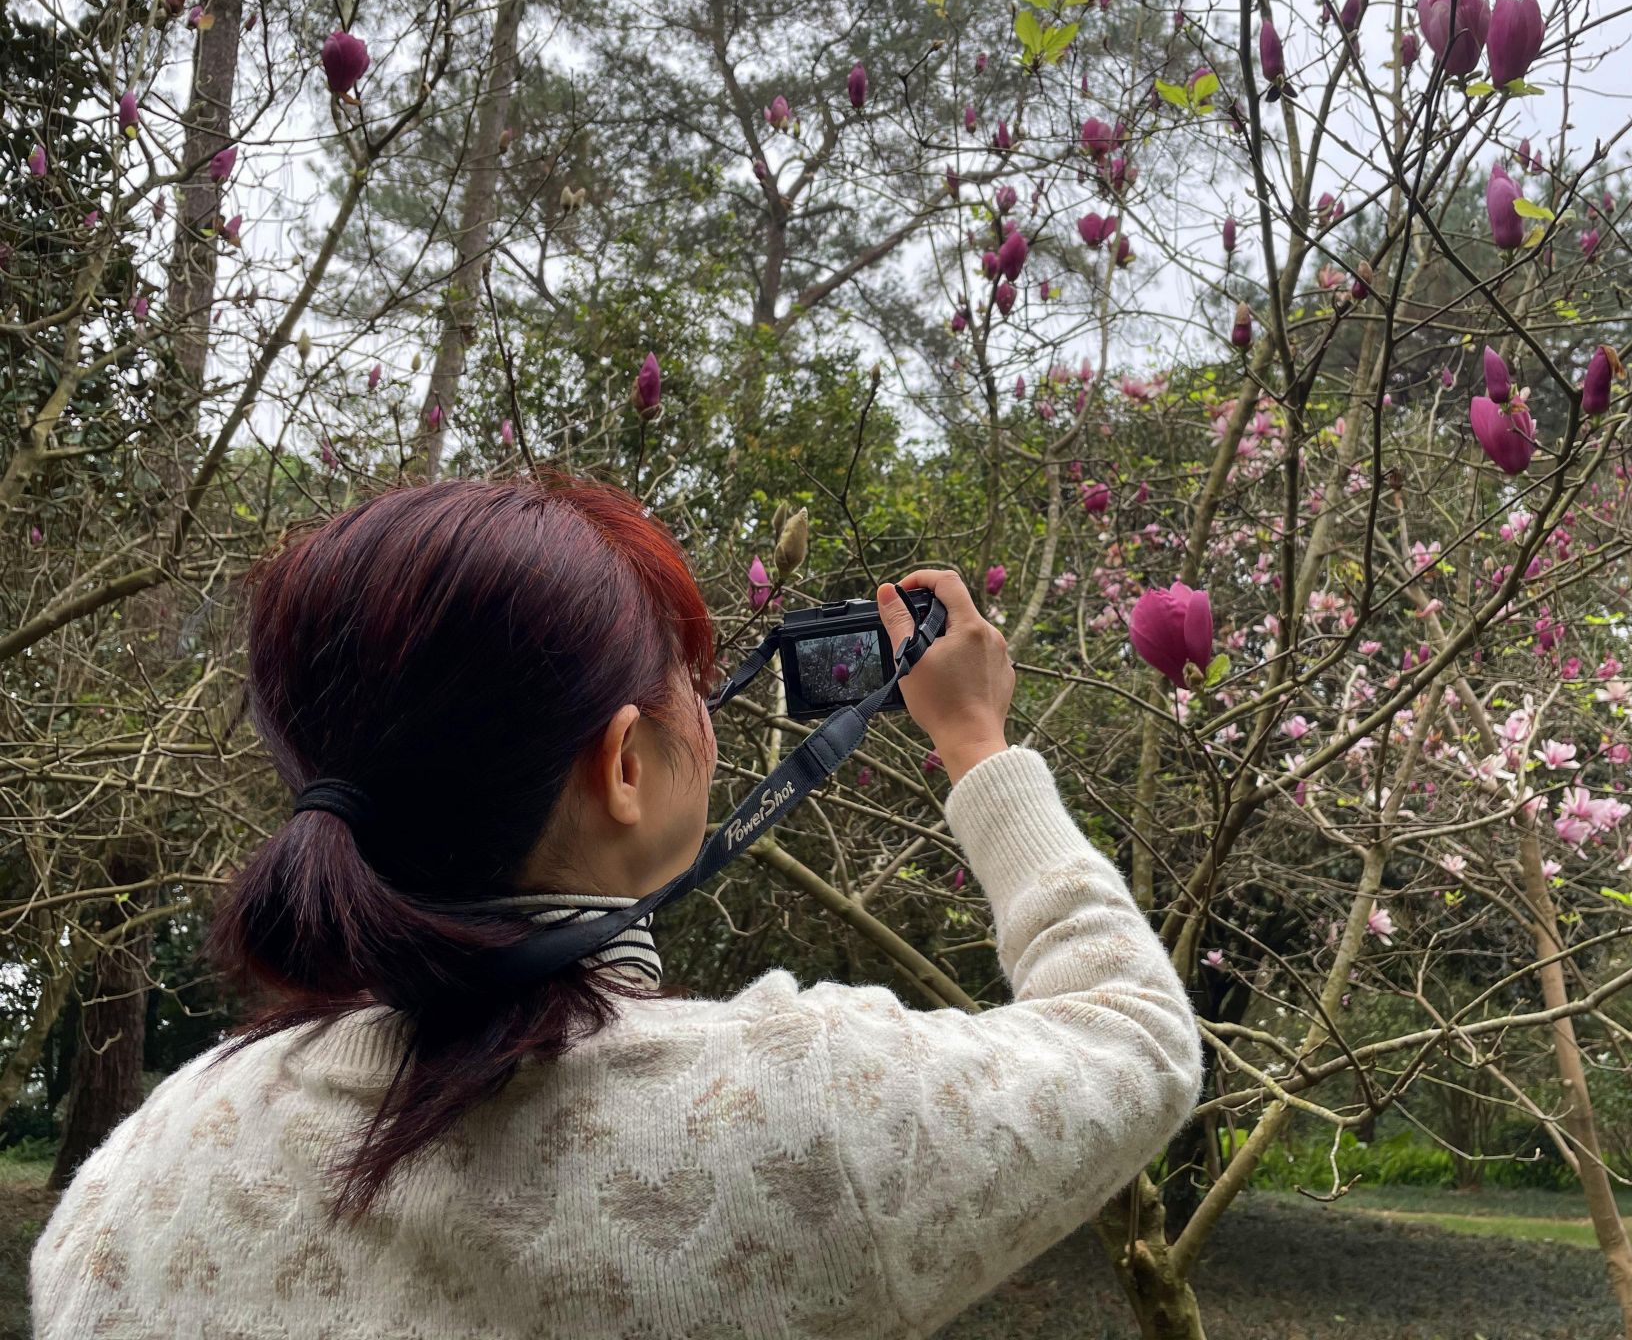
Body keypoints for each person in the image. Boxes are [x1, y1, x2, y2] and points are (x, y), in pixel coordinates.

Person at [32, 474, 1202, 1337]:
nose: (712, 712)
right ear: (626, 767)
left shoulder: (139, 1172)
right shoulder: (801, 1114)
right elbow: (1135, 1038)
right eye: (692, 685)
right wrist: (979, 745)